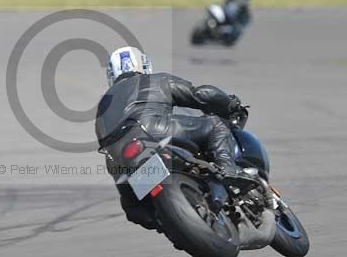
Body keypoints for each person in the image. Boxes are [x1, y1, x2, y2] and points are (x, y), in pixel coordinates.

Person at [95, 46, 253, 228]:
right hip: (156, 131)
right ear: (144, 65)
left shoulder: (103, 106)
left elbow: (104, 144)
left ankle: (168, 222)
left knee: (136, 208)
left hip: (122, 155)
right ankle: (228, 168)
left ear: (111, 74)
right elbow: (199, 94)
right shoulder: (154, 80)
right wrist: (231, 104)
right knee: (215, 124)